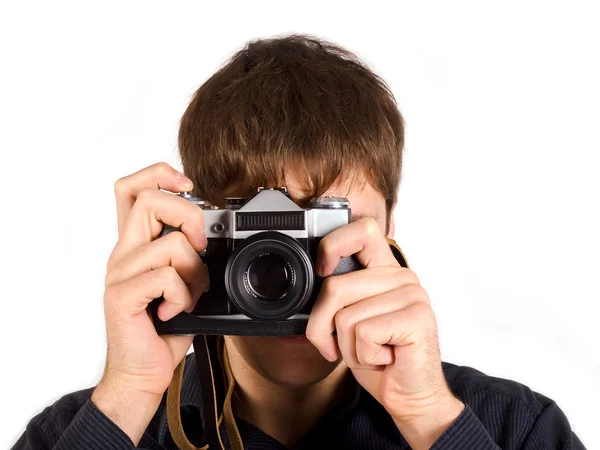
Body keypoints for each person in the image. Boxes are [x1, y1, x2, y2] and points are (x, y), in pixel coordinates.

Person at [13, 34, 585, 450]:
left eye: (326, 230)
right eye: (259, 238)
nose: (288, 271)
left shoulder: (515, 430)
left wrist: (431, 419)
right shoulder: (89, 431)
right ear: (197, 234)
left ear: (387, 234)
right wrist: (129, 395)